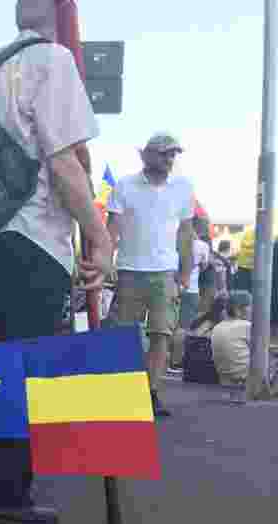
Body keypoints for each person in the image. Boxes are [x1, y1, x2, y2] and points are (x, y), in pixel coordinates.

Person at [0, 0, 112, 524]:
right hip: (34, 238)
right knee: (22, 370)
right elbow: (65, 164)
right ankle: (5, 493)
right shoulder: (53, 60)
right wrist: (99, 237)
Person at [107, 132, 196, 418]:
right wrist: (105, 263)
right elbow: (113, 228)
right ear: (147, 155)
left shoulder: (183, 188)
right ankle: (122, 392)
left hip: (165, 273)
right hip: (129, 271)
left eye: (173, 154)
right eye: (164, 153)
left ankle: (151, 393)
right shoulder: (124, 185)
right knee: (123, 336)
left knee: (161, 335)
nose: (170, 159)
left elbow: (185, 232)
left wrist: (184, 271)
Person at [211, 290, 253, 387]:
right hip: (244, 377)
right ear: (238, 309)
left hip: (224, 378)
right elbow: (261, 351)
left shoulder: (217, 327)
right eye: (249, 306)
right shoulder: (246, 326)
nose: (252, 309)